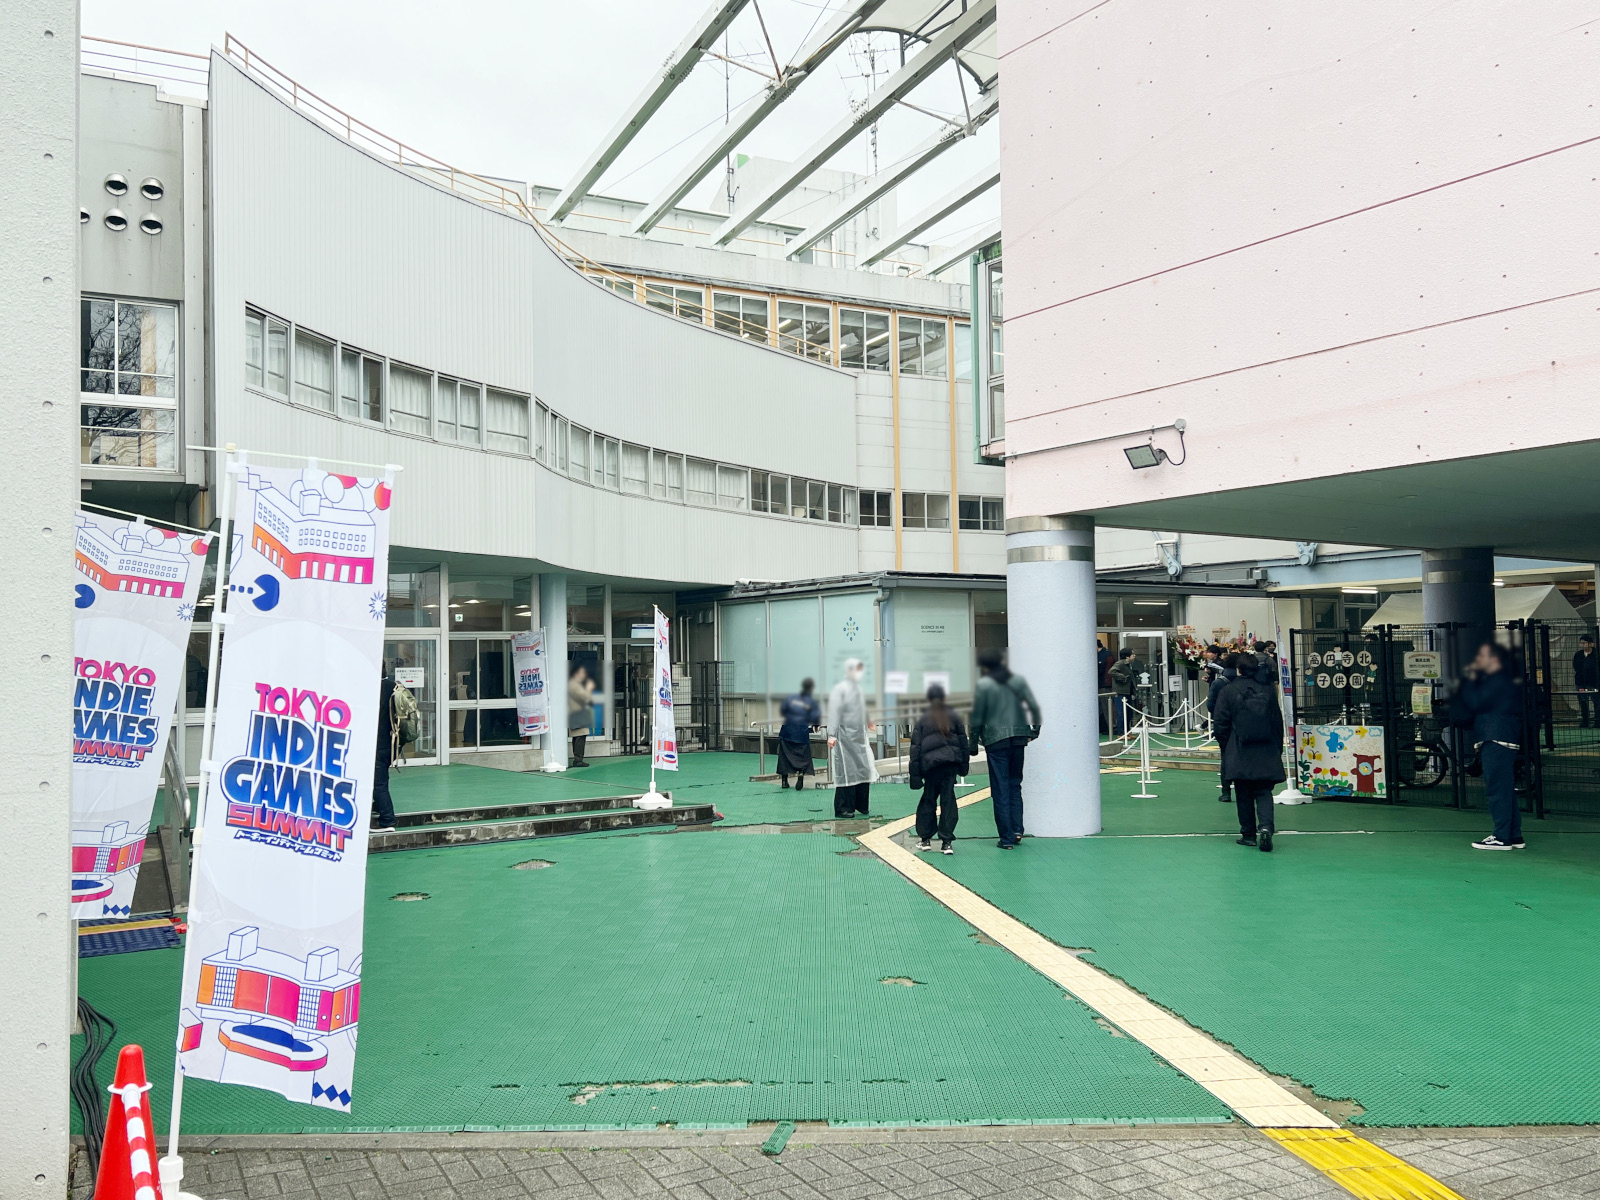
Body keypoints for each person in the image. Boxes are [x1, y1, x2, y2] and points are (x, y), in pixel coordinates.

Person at [1454, 641, 1525, 850]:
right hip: (1504, 736)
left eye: (1482, 656)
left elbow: (1470, 706)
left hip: (1495, 737)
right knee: (1505, 788)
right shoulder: (1506, 680)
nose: (1478, 660)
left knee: (1497, 789)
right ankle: (1514, 834)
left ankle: (1501, 837)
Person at [1212, 651, 1285, 851]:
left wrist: (1227, 746)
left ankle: (1248, 834)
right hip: (1266, 748)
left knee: (1243, 793)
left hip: (1239, 749)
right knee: (1264, 792)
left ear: (1238, 669)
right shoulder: (1268, 690)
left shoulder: (1228, 690)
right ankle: (1266, 828)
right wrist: (1277, 748)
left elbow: (1220, 723)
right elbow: (1277, 722)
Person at [969, 648, 1042, 849]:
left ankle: (1006, 838)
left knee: (1000, 788)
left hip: (995, 739)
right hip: (1019, 737)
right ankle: (1017, 830)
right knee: (1014, 784)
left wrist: (972, 744)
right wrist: (1033, 731)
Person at [909, 683, 970, 854]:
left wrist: (915, 774)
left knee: (928, 800)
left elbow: (916, 747)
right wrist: (963, 766)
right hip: (950, 764)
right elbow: (963, 742)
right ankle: (947, 842)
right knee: (948, 801)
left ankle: (925, 839)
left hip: (931, 766)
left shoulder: (923, 717)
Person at [827, 658, 877, 817]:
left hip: (859, 737)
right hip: (845, 738)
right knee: (847, 772)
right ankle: (843, 808)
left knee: (863, 770)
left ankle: (861, 804)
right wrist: (831, 734)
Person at [777, 678, 822, 788]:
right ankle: (801, 774)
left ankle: (784, 781)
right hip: (801, 734)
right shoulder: (811, 702)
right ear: (811, 688)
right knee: (802, 757)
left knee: (784, 757)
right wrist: (816, 726)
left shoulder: (791, 698)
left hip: (787, 731)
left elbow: (783, 711)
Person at [1208, 653, 1239, 803]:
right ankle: (1245, 790)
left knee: (1226, 757)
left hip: (1223, 724)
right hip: (1243, 724)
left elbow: (1210, 706)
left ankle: (1226, 792)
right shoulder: (1246, 682)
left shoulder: (1218, 683)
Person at [372, 665, 397, 833]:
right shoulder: (394, 687)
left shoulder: (372, 688)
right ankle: (378, 806)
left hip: (377, 744)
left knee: (378, 783)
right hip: (392, 742)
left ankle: (387, 820)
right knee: (381, 778)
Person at [567, 661, 595, 767]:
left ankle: (578, 759)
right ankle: (578, 760)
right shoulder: (574, 684)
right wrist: (588, 688)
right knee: (580, 736)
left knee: (578, 736)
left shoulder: (573, 683)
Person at [1107, 647, 1139, 735]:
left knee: (1128, 713)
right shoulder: (1120, 663)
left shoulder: (1129, 664)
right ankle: (1121, 733)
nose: (1134, 656)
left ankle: (1127, 732)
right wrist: (1122, 677)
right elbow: (1111, 671)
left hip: (1127, 692)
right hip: (1120, 692)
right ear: (1127, 656)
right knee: (1121, 713)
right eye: (1132, 654)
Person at [1574, 635, 1598, 728]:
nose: (1582, 645)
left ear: (1590, 644)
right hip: (1580, 682)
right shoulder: (1578, 654)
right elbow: (1575, 666)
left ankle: (1597, 721)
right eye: (1581, 643)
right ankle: (1585, 721)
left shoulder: (1596, 654)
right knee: (1583, 702)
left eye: (1584, 643)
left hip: (1593, 682)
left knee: (1596, 701)